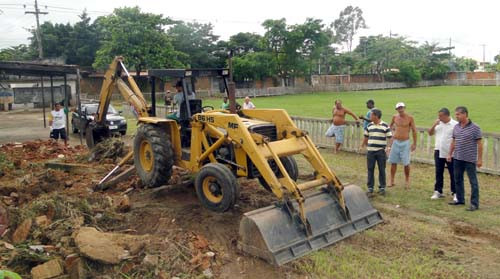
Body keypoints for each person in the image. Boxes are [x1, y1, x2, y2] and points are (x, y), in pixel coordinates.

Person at [447, 106, 482, 211]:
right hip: (457, 157)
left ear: (465, 114)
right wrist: (450, 154)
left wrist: (480, 159)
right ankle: (460, 199)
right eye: (456, 114)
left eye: (458, 114)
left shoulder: (475, 127)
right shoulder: (456, 127)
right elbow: (454, 141)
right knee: (458, 179)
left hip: (470, 159)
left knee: (473, 181)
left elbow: (479, 144)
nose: (456, 116)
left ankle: (474, 203)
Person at [360, 108, 392, 195]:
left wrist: (388, 148)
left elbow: (390, 137)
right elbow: (366, 137)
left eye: (371, 115)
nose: (370, 116)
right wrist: (363, 145)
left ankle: (382, 187)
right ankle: (370, 187)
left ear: (376, 116)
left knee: (382, 169)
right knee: (370, 169)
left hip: (380, 151)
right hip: (371, 152)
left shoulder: (385, 125)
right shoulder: (369, 125)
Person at [428, 108, 458, 201]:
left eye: (441, 116)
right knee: (438, 172)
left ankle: (455, 192)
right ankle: (438, 191)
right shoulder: (438, 124)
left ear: (446, 115)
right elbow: (430, 133)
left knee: (453, 173)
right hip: (438, 150)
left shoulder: (455, 124)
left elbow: (457, 138)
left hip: (450, 152)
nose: (439, 117)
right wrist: (434, 125)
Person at [388, 102, 417, 188]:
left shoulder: (410, 118)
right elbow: (390, 126)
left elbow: (414, 131)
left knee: (406, 163)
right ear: (396, 109)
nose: (400, 109)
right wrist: (392, 135)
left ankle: (407, 180)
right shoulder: (394, 117)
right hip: (396, 141)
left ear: (404, 108)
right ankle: (391, 180)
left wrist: (414, 143)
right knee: (393, 161)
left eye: (401, 108)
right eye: (398, 108)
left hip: (405, 142)